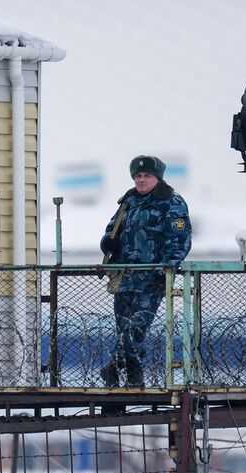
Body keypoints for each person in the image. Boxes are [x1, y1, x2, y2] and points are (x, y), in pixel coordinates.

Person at [99, 155, 192, 387]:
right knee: (125, 328)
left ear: (157, 178)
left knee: (136, 327)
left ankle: (113, 367)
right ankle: (132, 376)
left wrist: (167, 268)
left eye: (146, 176)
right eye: (137, 176)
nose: (141, 180)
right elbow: (113, 229)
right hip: (124, 276)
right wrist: (107, 243)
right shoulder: (128, 201)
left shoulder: (171, 202)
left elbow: (179, 239)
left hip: (151, 277)